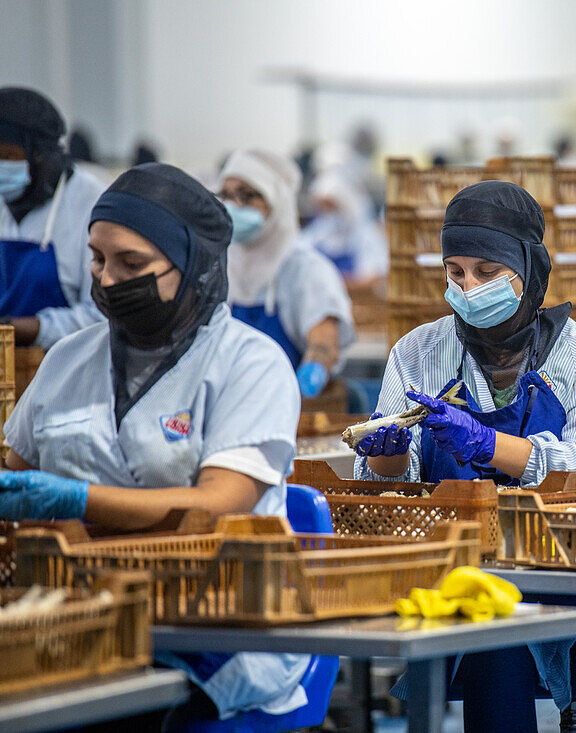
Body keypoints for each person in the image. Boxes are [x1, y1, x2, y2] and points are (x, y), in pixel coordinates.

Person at [354, 180, 576, 732]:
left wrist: (492, 447)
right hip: (471, 574)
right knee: (493, 647)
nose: (468, 286)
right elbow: (393, 493)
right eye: (454, 272)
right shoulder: (418, 352)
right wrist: (386, 459)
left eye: (486, 271)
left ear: (528, 270)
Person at [0, 162, 309, 723]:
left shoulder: (249, 362)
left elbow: (218, 507)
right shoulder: (69, 359)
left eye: (132, 263)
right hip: (81, 613)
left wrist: (73, 500)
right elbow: (14, 478)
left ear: (190, 266)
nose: (108, 279)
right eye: (96, 259)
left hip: (212, 622)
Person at [216, 148, 355, 398]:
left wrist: (302, 387)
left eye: (248, 197)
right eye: (226, 195)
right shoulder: (217, 264)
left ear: (275, 202)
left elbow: (324, 347)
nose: (233, 206)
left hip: (286, 411)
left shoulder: (307, 270)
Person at [0, 86, 106, 348]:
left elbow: (101, 318)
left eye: (7, 156)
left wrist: (28, 329)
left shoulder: (94, 203)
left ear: (39, 155)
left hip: (67, 364)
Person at [298, 170, 388, 280]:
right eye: (323, 207)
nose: (327, 213)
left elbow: (372, 276)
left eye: (331, 207)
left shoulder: (365, 236)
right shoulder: (318, 233)